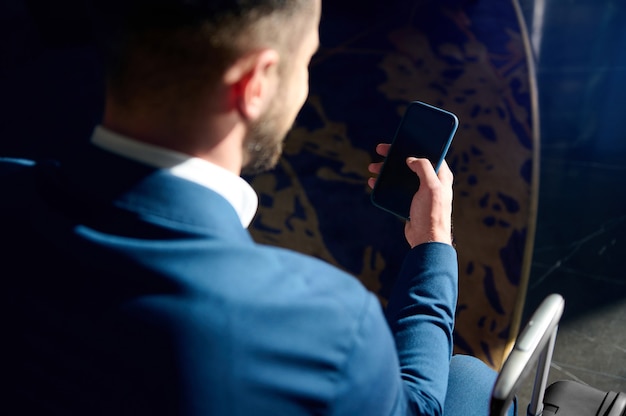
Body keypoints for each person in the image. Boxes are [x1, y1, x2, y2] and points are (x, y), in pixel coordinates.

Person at [1, 0, 515, 415]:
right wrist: (433, 246)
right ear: (257, 84)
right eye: (306, 61)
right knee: (471, 384)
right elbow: (418, 408)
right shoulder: (325, 322)